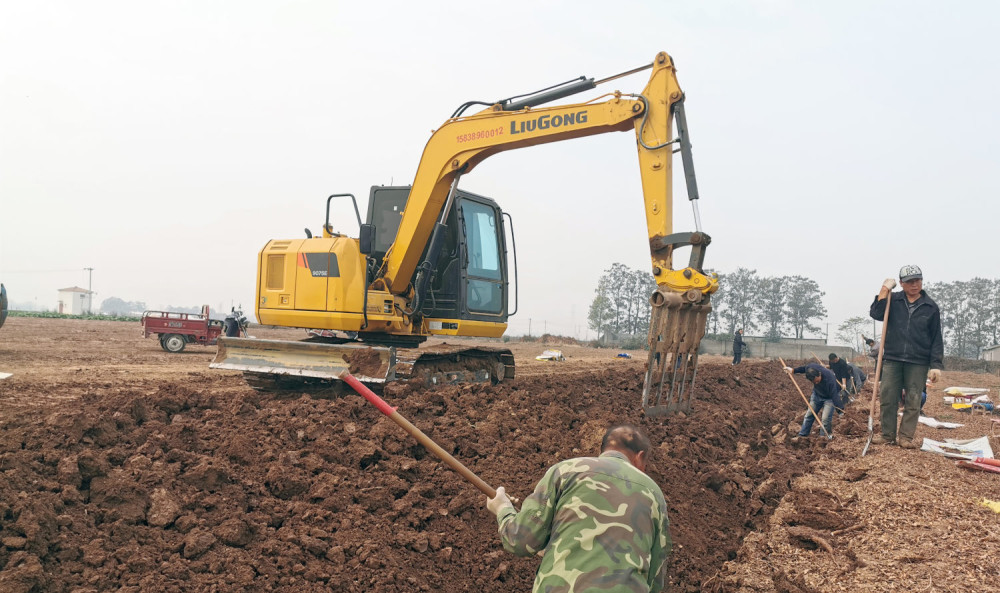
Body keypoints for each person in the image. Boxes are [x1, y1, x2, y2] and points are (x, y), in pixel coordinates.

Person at [486, 425, 671, 593]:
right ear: (639, 456)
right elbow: (655, 578)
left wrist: (502, 508)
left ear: (604, 450)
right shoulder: (654, 493)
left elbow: (520, 540)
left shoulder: (565, 471)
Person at [869, 265, 944, 449]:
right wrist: (884, 289)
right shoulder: (892, 301)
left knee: (913, 399)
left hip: (918, 361)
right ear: (901, 283)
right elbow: (876, 313)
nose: (915, 284)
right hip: (893, 358)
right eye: (910, 281)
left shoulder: (930, 307)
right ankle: (888, 435)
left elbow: (936, 337)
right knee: (888, 397)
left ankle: (906, 437)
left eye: (918, 280)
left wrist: (935, 364)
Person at [783, 362, 843, 439]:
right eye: (814, 382)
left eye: (818, 381)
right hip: (817, 395)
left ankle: (823, 438)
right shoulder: (811, 367)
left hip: (829, 398)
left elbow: (834, 395)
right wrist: (793, 370)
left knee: (825, 419)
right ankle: (802, 435)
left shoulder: (829, 379)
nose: (817, 383)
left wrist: (840, 410)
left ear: (819, 374)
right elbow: (804, 368)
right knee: (809, 415)